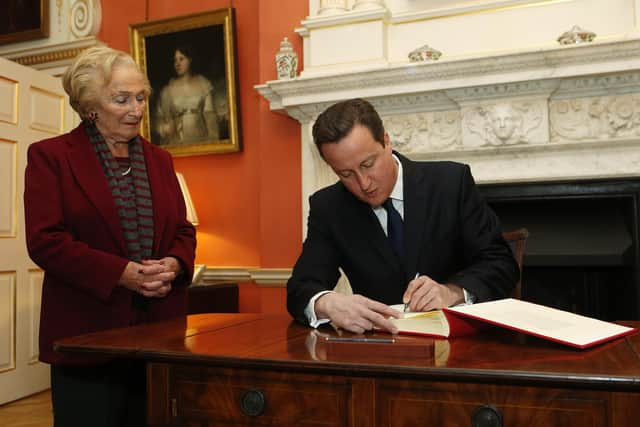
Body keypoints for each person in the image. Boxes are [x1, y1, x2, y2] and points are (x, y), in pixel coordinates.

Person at [24, 46, 197, 426]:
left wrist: (175, 263)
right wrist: (121, 273)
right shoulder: (51, 157)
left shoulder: (160, 159)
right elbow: (45, 240)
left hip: (159, 334)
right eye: (122, 99)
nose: (136, 109)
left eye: (140, 97)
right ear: (90, 105)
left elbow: (183, 229)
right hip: (87, 335)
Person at [286, 98, 519, 334]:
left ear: (386, 141)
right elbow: (300, 288)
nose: (363, 183)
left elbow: (501, 263)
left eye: (368, 164)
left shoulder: (450, 183)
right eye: (346, 174)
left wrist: (452, 292)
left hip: (461, 346)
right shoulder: (329, 207)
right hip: (381, 350)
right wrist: (327, 303)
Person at [154, 46, 219, 145]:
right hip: (177, 141)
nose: (177, 64)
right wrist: (165, 128)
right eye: (175, 60)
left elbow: (211, 119)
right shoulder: (168, 90)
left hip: (201, 139)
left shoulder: (203, 85)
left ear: (190, 59)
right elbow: (158, 120)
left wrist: (213, 143)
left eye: (181, 59)